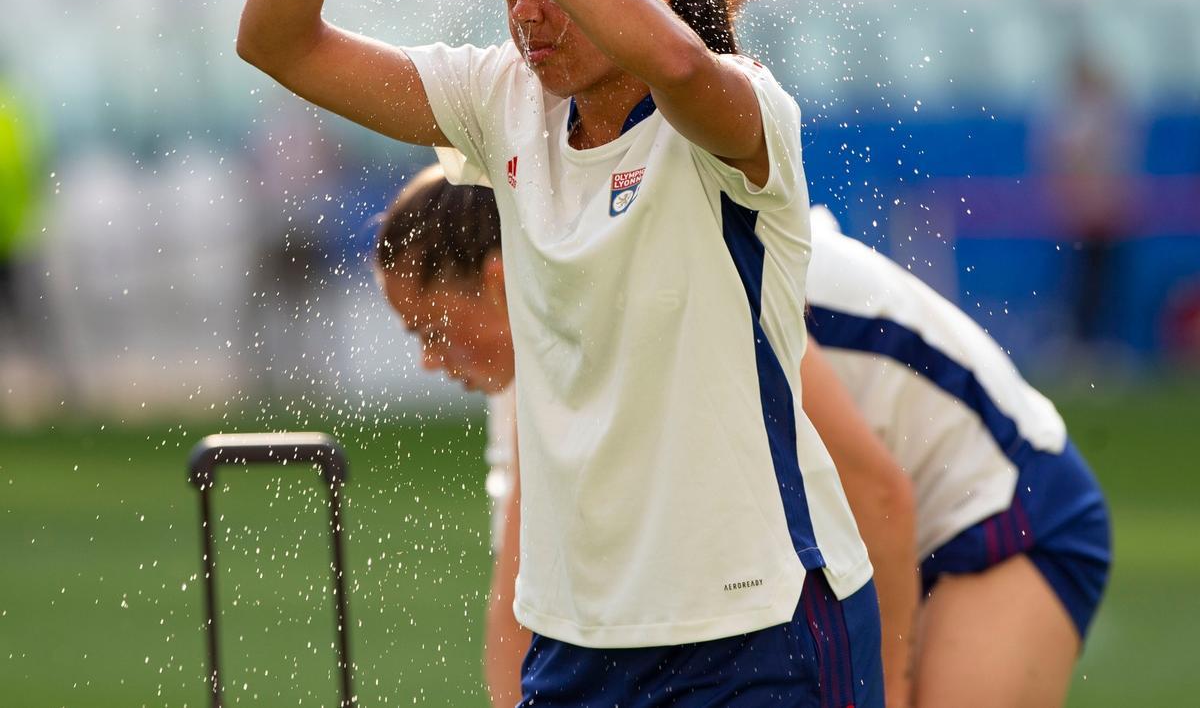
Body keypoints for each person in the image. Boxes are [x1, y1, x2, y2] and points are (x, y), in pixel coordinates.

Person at [239, 0, 883, 707]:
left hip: (757, 625)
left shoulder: (739, 109)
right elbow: (276, 44)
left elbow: (682, 68)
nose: (527, 13)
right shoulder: (505, 99)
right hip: (578, 638)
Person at [375, 168, 1110, 708]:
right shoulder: (542, 355)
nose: (428, 361)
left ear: (502, 281)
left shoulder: (669, 287)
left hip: (1004, 507)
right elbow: (525, 582)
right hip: (865, 529)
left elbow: (879, 491)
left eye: (427, 327)